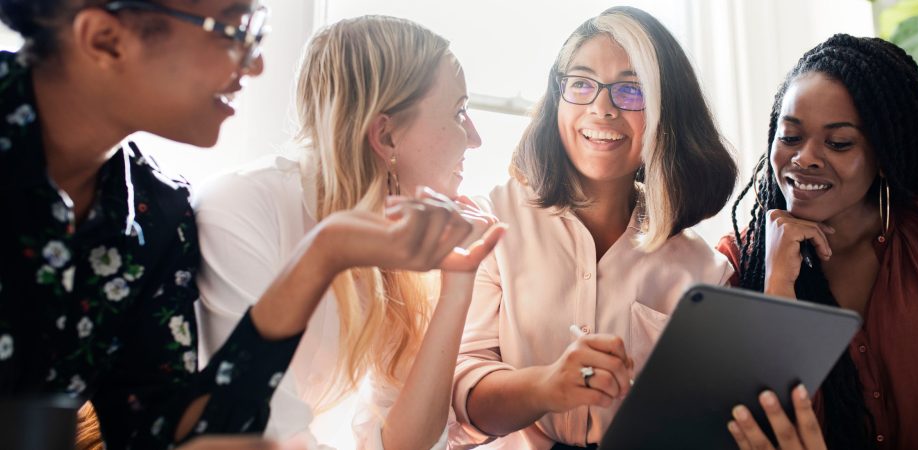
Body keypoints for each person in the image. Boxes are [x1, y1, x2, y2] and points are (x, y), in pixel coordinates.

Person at [0, 1, 473, 448]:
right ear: (106, 39)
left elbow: (162, 433)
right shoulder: (226, 204)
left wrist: (323, 255)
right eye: (234, 29)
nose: (256, 65)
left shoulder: (156, 213)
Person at [195, 15, 504, 450]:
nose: (475, 138)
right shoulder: (242, 209)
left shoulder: (395, 244)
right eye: (459, 112)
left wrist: (458, 284)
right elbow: (258, 429)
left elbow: (404, 443)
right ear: (385, 135)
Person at [450, 6, 737, 449]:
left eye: (630, 89)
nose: (601, 109)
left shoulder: (705, 270)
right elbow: (463, 398)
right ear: (558, 98)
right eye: (581, 84)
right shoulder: (493, 223)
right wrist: (546, 385)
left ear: (667, 111)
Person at [719, 34, 918, 450]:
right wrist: (777, 285)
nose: (805, 158)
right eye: (790, 137)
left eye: (839, 143)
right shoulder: (740, 263)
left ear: (885, 154)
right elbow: (762, 431)